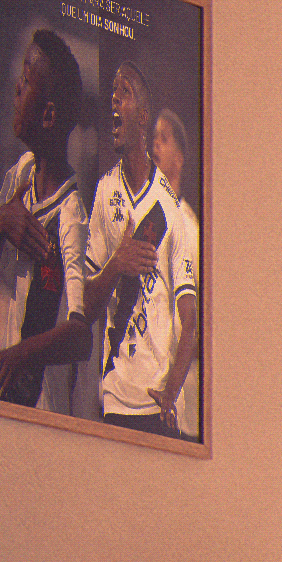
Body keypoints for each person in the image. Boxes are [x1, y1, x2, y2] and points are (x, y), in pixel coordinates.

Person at [82, 61, 199, 438]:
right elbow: (86, 305)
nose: (114, 100)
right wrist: (116, 265)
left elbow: (191, 318)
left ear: (143, 116)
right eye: (112, 92)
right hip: (115, 398)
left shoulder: (172, 210)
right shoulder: (105, 191)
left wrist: (171, 391)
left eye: (125, 92)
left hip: (158, 404)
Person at [0, 30, 90, 412]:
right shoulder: (21, 174)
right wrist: (0, 223)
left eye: (26, 81)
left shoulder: (71, 216)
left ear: (48, 115)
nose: (16, 89)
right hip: (6, 398)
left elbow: (80, 336)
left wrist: (20, 354)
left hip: (45, 409)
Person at [149, 106, 200, 438]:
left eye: (163, 139)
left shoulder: (189, 227)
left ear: (180, 159)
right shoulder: (144, 215)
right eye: (152, 138)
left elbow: (196, 323)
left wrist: (171, 386)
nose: (154, 145)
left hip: (176, 395)